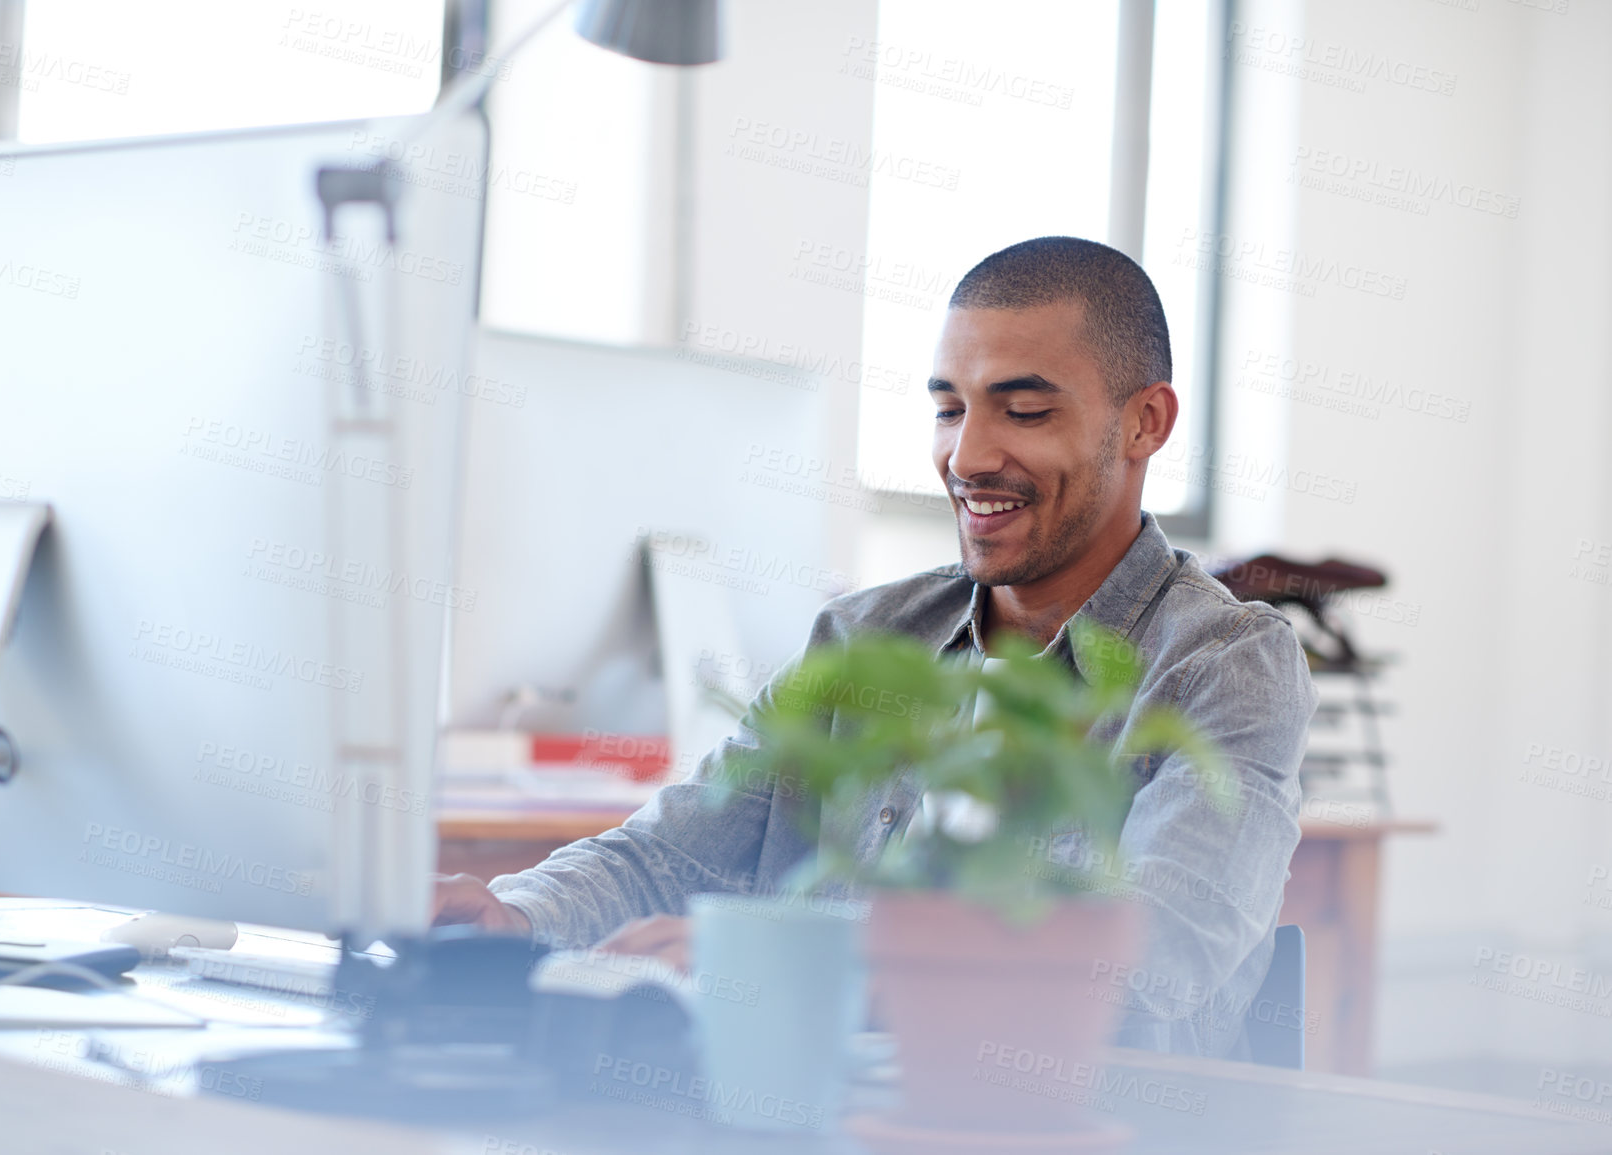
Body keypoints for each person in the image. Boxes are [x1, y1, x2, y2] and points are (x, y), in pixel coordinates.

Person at [431, 236, 1317, 1058]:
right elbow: (671, 855)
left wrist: (808, 965)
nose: (966, 455)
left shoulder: (1225, 663)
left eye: (1024, 410)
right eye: (947, 408)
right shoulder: (865, 637)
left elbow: (1145, 965)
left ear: (1144, 423)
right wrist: (516, 914)